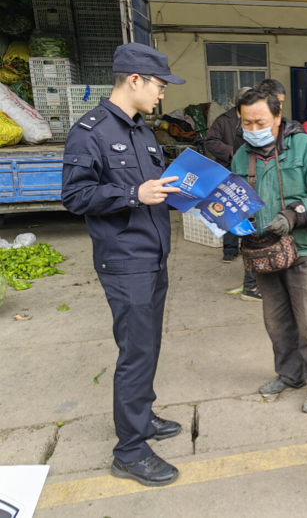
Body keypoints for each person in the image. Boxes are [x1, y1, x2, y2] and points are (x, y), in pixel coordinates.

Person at [61, 43, 186, 487]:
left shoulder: (142, 132)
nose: (162, 95)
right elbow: (75, 197)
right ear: (134, 80)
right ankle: (129, 451)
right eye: (158, 85)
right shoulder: (89, 132)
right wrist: (133, 195)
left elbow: (153, 186)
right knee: (135, 351)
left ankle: (143, 417)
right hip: (124, 260)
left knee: (147, 345)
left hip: (152, 256)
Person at [231, 88, 307, 414]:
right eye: (246, 123)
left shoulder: (305, 147)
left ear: (278, 118)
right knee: (276, 321)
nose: (252, 129)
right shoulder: (241, 156)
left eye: (259, 121)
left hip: (304, 249)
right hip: (264, 252)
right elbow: (234, 200)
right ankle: (290, 375)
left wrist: (294, 214)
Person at [204, 86, 261, 300]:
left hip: (253, 171)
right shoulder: (223, 120)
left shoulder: (256, 117)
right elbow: (209, 141)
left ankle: (250, 246)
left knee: (250, 210)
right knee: (230, 210)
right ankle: (230, 249)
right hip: (229, 169)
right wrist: (229, 151)